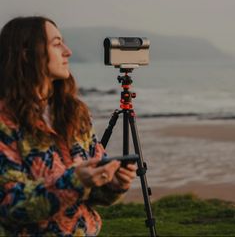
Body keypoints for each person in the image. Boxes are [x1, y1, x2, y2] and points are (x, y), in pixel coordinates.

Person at [0, 16, 137, 236]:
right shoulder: (5, 121)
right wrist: (74, 181)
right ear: (26, 54)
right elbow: (9, 205)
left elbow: (93, 192)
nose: (68, 51)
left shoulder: (74, 112)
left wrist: (113, 182)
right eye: (56, 44)